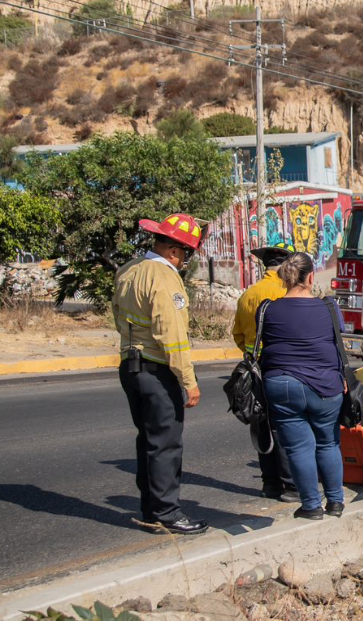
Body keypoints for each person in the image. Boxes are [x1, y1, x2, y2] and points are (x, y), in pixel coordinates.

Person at [113, 213, 208, 535]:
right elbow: (173, 335)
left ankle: (150, 509)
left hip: (130, 366)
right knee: (165, 445)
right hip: (156, 369)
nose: (185, 262)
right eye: (186, 255)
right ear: (174, 251)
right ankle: (168, 513)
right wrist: (188, 382)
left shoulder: (129, 270)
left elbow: (118, 317)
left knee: (148, 443)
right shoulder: (165, 278)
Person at [258, 252, 347, 520]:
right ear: (310, 277)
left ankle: (311, 506)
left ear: (284, 277)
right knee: (328, 443)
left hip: (282, 384)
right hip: (326, 386)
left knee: (298, 448)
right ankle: (335, 502)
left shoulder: (267, 308)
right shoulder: (329, 307)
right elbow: (338, 332)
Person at [231, 241, 298, 502]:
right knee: (285, 427)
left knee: (263, 425)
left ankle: (270, 485)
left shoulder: (249, 293)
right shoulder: (287, 293)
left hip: (255, 369)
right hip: (282, 368)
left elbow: (237, 334)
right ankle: (292, 486)